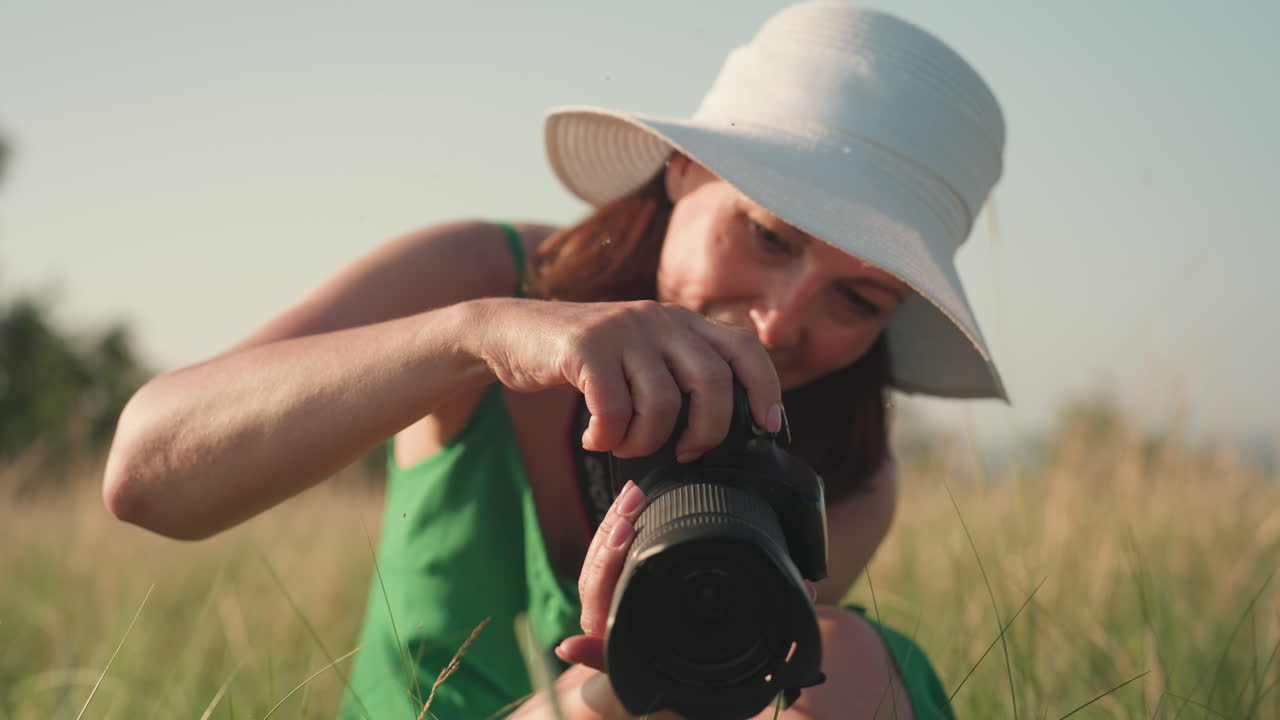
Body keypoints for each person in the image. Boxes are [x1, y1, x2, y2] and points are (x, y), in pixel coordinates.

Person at [103, 2, 1008, 718]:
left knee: (839, 661)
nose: (777, 324)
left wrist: (625, 690)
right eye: (768, 234)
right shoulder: (489, 278)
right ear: (684, 170)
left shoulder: (846, 466)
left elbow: (696, 700)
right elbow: (146, 474)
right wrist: (475, 339)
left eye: (857, 299)